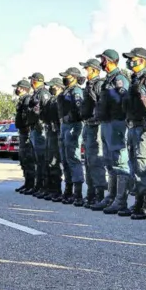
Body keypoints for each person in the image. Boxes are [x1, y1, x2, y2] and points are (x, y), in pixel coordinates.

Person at [121, 47, 146, 220]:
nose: (130, 62)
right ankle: (138, 201)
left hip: (144, 128)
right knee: (135, 164)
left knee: (145, 164)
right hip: (133, 127)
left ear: (142, 60)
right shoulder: (135, 79)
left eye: (133, 59)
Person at [92, 50, 131, 214]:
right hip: (107, 123)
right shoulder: (107, 80)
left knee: (119, 160)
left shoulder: (119, 79)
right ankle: (111, 196)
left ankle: (120, 200)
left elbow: (124, 101)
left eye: (103, 59)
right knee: (109, 161)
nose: (101, 62)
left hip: (117, 124)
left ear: (110, 61)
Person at [79, 59, 106, 208]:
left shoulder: (98, 84)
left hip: (96, 126)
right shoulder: (88, 85)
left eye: (86, 69)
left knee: (96, 161)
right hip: (88, 125)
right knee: (88, 161)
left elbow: (100, 104)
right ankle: (90, 193)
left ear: (94, 70)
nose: (85, 72)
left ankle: (99, 194)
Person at [58, 67, 86, 206]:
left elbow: (80, 109)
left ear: (74, 77)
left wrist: (73, 119)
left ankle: (78, 193)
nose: (65, 78)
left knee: (73, 159)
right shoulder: (66, 91)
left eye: (67, 76)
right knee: (65, 158)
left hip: (73, 126)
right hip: (64, 126)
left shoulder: (76, 91)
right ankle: (68, 190)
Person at [27, 73, 52, 199]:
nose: (30, 82)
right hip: (34, 128)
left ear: (36, 81)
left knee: (42, 159)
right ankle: (38, 185)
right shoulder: (36, 93)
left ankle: (44, 186)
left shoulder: (43, 93)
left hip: (40, 128)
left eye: (32, 80)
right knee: (37, 159)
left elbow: (45, 111)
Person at [41, 78, 65, 201]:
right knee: (49, 160)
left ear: (59, 86)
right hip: (51, 131)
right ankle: (51, 188)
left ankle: (57, 190)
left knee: (55, 160)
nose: (51, 88)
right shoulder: (52, 100)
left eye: (53, 86)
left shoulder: (61, 98)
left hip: (58, 132)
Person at [13, 79, 36, 195]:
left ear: (22, 88)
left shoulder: (27, 99)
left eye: (18, 87)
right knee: (23, 159)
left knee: (28, 158)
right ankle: (27, 182)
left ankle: (31, 184)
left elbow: (27, 116)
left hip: (26, 132)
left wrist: (27, 128)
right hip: (22, 132)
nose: (16, 90)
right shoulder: (22, 100)